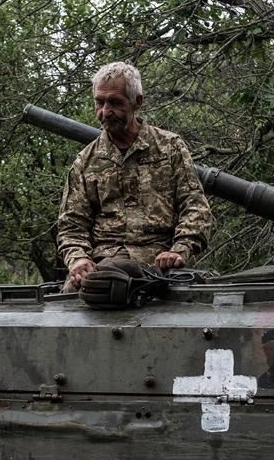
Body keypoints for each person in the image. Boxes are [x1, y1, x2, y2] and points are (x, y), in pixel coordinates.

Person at [57, 62, 213, 290]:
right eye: (99, 102)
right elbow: (71, 224)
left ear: (137, 102)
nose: (105, 112)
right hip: (103, 266)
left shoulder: (169, 147)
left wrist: (180, 249)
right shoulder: (86, 160)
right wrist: (78, 258)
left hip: (161, 263)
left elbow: (196, 207)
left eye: (116, 103)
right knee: (75, 297)